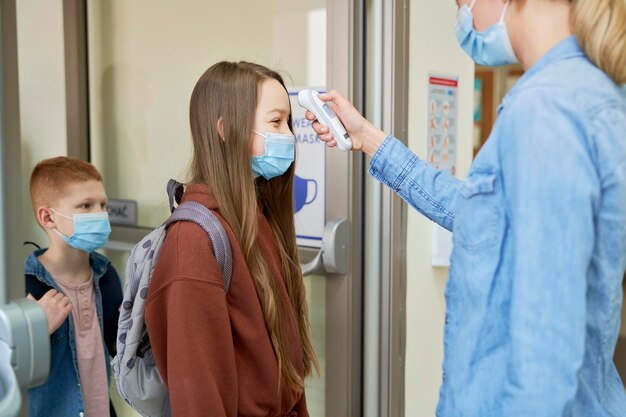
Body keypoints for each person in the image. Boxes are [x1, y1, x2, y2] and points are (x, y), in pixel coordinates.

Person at [307, 0, 626, 415]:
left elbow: (545, 350)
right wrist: (369, 138)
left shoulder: (545, 109)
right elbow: (485, 217)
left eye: (460, 3)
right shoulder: (592, 94)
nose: (464, 16)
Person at [144, 61, 319, 416]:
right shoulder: (192, 243)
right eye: (275, 122)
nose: (288, 135)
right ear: (224, 129)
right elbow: (198, 399)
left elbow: (288, 375)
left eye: (288, 123)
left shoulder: (257, 220)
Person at [24, 156, 123, 417]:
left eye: (103, 204)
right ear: (48, 217)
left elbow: (121, 350)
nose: (100, 214)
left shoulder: (107, 276)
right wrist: (35, 331)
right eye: (85, 206)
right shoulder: (24, 286)